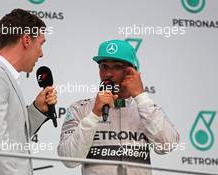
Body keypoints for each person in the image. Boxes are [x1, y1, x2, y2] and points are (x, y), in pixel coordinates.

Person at [58, 39, 179, 175]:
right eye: (104, 66)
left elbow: (167, 146)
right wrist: (94, 116)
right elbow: (68, 159)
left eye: (116, 66)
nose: (108, 74)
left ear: (132, 71)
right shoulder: (80, 109)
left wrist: (141, 97)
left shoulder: (147, 109)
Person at [0, 9, 57, 175]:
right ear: (27, 40)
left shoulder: (2, 76)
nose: (42, 53)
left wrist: (37, 109)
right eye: (41, 43)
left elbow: (16, 137)